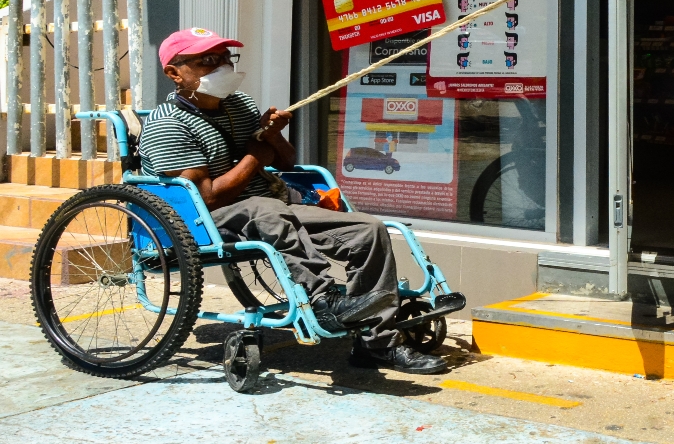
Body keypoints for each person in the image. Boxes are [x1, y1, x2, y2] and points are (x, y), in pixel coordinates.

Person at [137, 27, 448, 374]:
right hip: (205, 221)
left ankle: (377, 344)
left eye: (225, 58)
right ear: (174, 72)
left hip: (270, 209)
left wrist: (274, 137)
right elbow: (204, 199)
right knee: (265, 209)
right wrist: (256, 154)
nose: (221, 66)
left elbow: (285, 163)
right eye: (207, 60)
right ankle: (324, 300)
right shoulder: (167, 124)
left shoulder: (240, 105)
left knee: (368, 230)